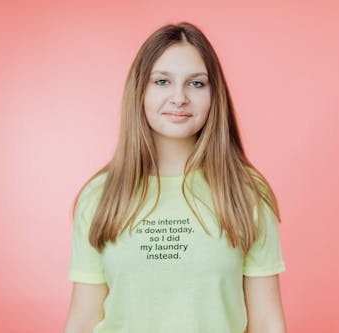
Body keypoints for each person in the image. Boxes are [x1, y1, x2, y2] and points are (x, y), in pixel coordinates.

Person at [64, 21, 287, 333]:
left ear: (214, 95)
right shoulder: (101, 195)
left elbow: (267, 322)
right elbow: (83, 320)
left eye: (196, 84)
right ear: (139, 90)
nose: (179, 97)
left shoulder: (245, 191)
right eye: (162, 81)